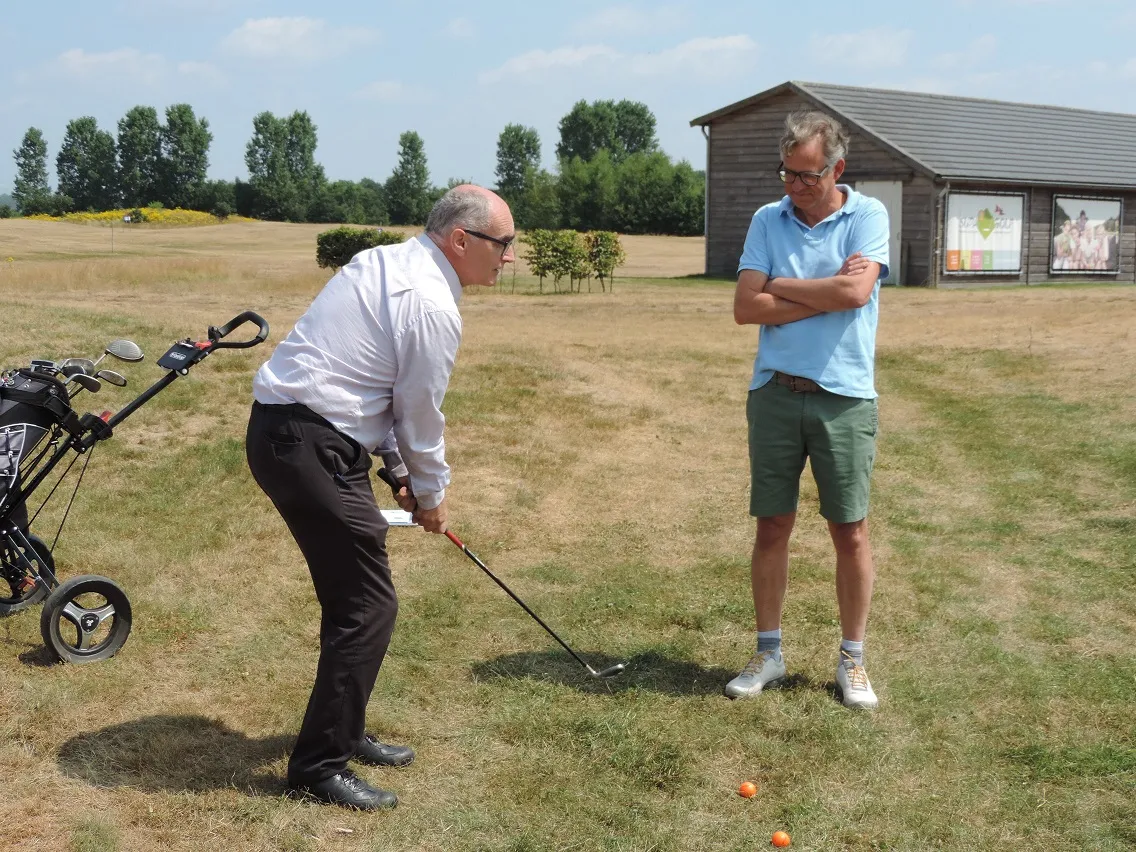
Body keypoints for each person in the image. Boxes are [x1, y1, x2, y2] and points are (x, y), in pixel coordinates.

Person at [245, 185, 515, 809]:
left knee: (356, 598)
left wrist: (397, 471)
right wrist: (432, 495)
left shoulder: (387, 261)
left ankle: (343, 728)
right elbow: (418, 414)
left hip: (295, 436)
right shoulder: (429, 303)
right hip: (307, 444)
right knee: (367, 605)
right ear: (461, 240)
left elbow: (377, 387)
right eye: (503, 243)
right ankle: (318, 768)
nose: (509, 256)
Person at [727, 110, 890, 710]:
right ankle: (768, 652)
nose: (795, 186)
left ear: (837, 169)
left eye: (809, 175)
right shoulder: (766, 219)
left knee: (850, 529)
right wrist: (826, 293)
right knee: (772, 525)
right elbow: (746, 307)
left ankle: (853, 659)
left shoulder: (868, 215)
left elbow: (856, 292)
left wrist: (780, 284)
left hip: (845, 396)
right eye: (788, 173)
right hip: (775, 392)